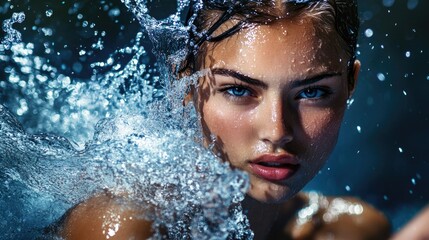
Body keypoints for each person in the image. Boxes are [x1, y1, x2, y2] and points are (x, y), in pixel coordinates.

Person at [53, 0, 392, 239]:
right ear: (184, 81)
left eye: (312, 93)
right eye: (239, 90)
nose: (277, 131)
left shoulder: (352, 229)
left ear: (350, 85)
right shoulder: (124, 224)